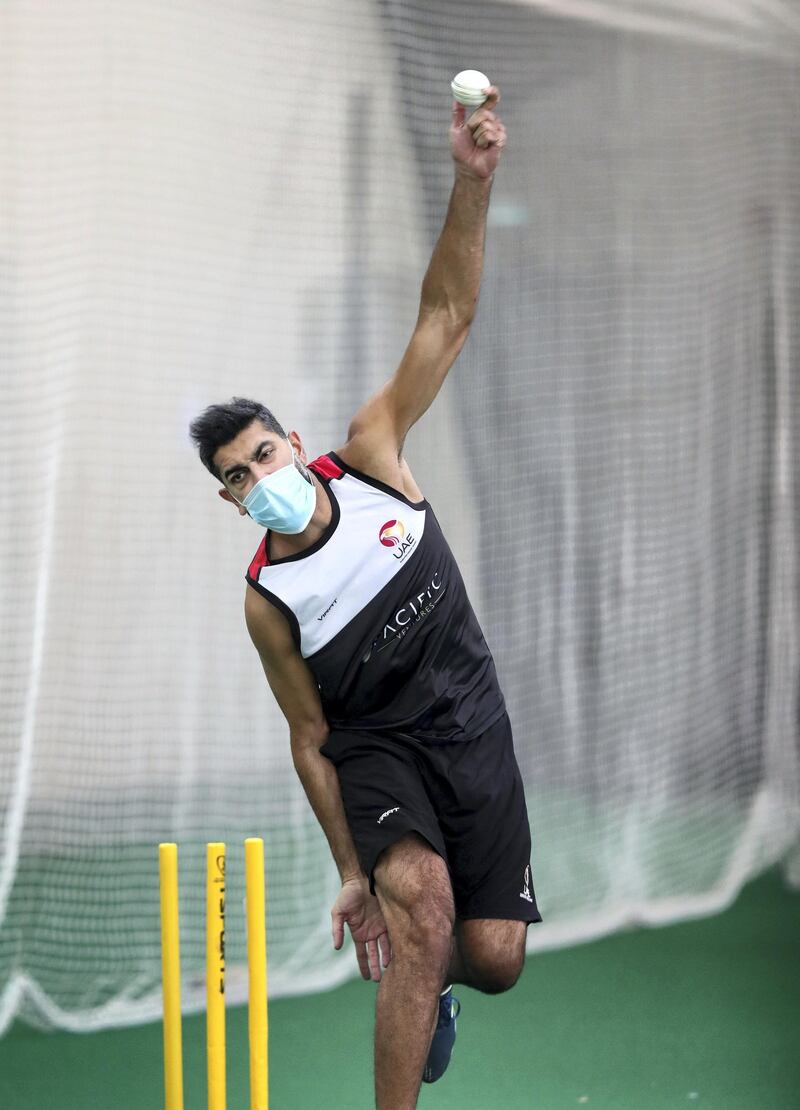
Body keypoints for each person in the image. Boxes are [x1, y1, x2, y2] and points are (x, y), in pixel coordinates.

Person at [189, 86, 541, 1110]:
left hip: (466, 714)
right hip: (377, 745)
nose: (263, 477)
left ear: (293, 442)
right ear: (230, 499)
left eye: (266, 452)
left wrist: (471, 184)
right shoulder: (267, 601)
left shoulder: (373, 457)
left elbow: (446, 311)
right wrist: (353, 869)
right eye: (240, 475)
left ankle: (435, 992)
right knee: (420, 906)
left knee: (493, 950)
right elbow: (309, 735)